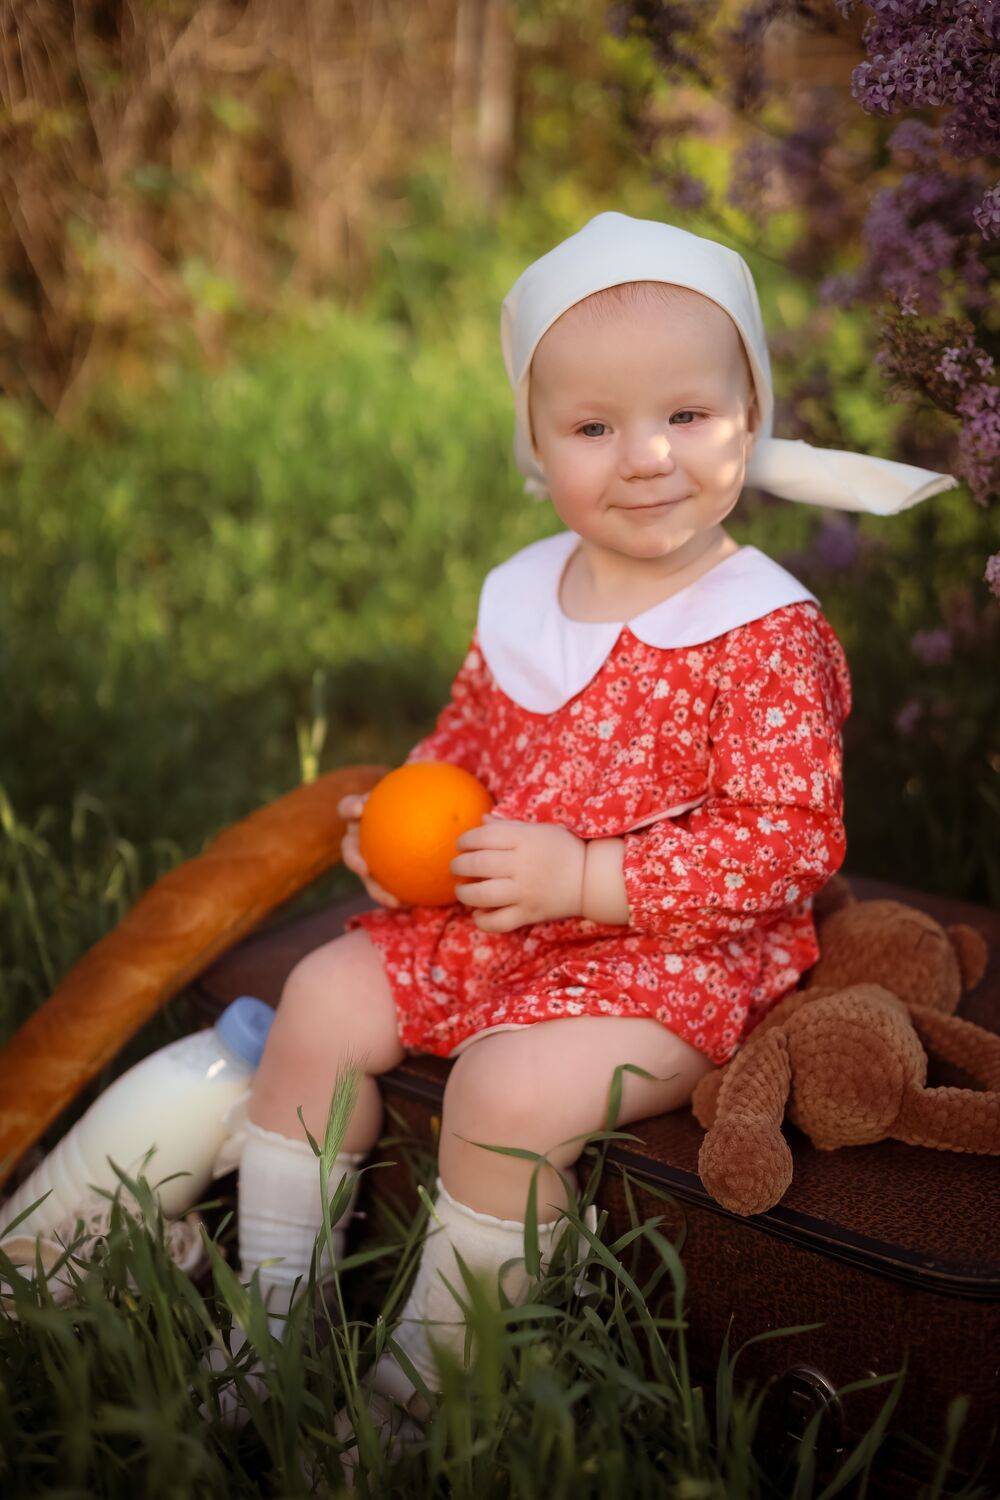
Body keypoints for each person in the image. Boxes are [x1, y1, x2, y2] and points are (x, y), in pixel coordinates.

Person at [211, 212, 957, 1460]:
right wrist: (404, 823)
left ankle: (431, 1389)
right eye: (594, 427)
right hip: (508, 914)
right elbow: (466, 737)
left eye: (687, 415)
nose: (647, 458)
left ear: (749, 417)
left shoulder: (762, 629)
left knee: (507, 1092)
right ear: (535, 442)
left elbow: (786, 842)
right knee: (324, 994)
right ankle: (272, 1317)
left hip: (674, 948)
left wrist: (595, 876)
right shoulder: (525, 590)